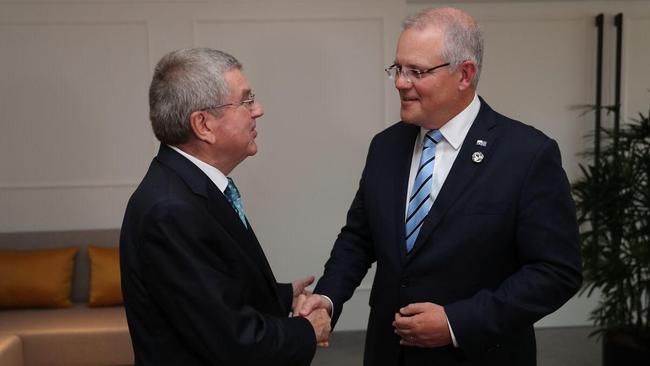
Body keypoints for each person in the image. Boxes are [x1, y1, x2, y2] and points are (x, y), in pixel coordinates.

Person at [298, 7, 582, 366]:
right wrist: (327, 298)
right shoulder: (385, 146)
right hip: (388, 353)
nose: (401, 82)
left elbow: (557, 272)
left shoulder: (526, 154)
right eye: (398, 69)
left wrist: (455, 323)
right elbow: (359, 237)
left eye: (417, 71)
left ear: (464, 74)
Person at [120, 48, 330, 366]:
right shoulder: (170, 211)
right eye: (246, 100)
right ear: (203, 124)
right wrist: (306, 330)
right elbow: (234, 342)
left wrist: (283, 296)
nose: (258, 110)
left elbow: (211, 287)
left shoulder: (191, 186)